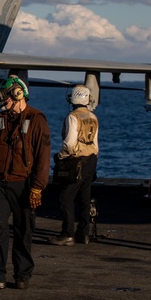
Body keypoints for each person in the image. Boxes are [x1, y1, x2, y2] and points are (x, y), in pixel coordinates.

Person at [0, 76, 50, 290]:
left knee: (24, 231)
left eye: (6, 95)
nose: (3, 100)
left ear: (18, 94)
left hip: (24, 184)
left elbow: (43, 157)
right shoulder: (1, 119)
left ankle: (22, 275)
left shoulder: (37, 119)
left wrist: (37, 188)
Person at [49, 84, 99, 246]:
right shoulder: (93, 117)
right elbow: (95, 144)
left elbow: (69, 144)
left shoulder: (72, 117)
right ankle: (84, 233)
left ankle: (67, 233)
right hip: (91, 159)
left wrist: (60, 156)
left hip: (76, 161)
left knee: (65, 198)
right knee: (85, 197)